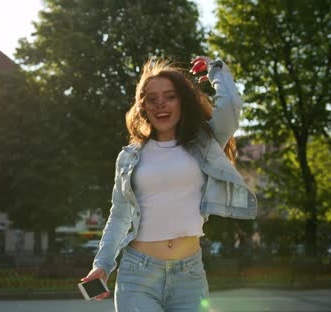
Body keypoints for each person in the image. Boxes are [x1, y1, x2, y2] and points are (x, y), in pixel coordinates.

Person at [82, 56, 257, 311]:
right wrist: (102, 264)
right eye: (152, 99)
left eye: (170, 96)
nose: (161, 104)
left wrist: (215, 70)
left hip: (190, 276)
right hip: (137, 274)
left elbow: (230, 105)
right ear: (143, 107)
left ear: (182, 101)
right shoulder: (129, 157)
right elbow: (119, 216)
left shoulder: (204, 144)